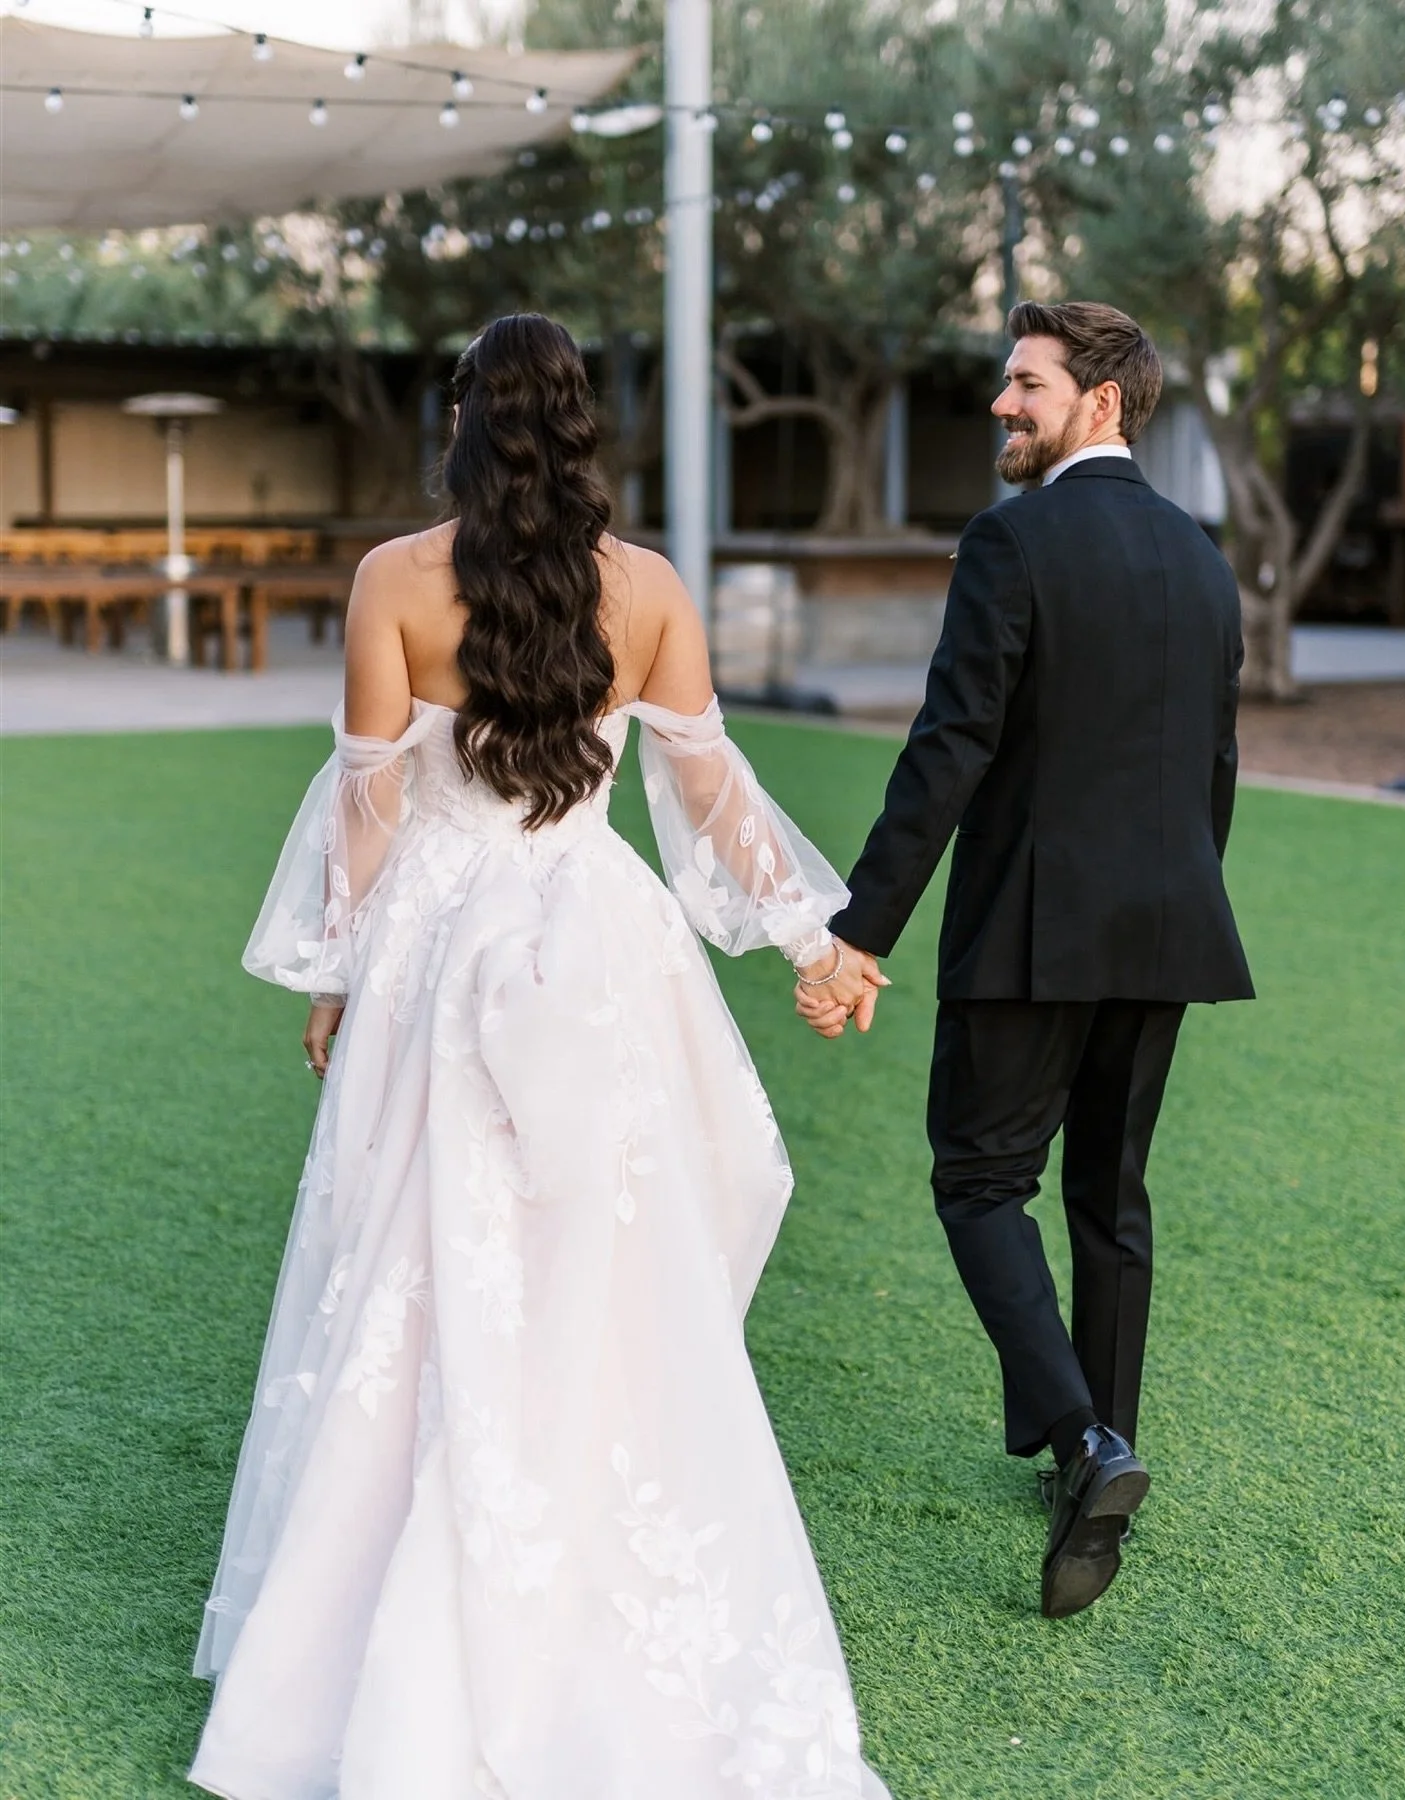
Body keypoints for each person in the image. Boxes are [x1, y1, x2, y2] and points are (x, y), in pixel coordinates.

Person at [190, 314, 892, 1800]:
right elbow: (709, 790)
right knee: (608, 1259)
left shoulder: (393, 581)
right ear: (581, 426)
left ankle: (401, 1613)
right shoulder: (647, 588)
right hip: (601, 945)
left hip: (433, 955)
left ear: (460, 421)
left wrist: (335, 970)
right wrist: (811, 943)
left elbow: (370, 801)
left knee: (414, 1251)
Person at [797, 301, 1253, 1619]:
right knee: (1111, 1196)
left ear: (1100, 401)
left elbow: (951, 748)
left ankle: (1086, 1444)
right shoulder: (1203, 560)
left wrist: (860, 931)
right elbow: (1215, 767)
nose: (1002, 403)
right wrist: (1176, 897)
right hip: (1168, 924)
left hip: (1033, 928)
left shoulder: (1011, 542)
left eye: (1026, 383)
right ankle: (1093, 1487)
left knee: (981, 1180)